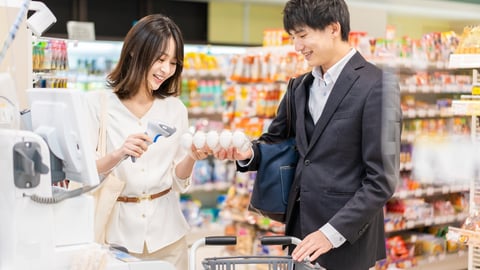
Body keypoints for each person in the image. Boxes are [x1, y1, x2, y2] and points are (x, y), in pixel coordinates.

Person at [214, 0, 402, 269]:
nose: (297, 46)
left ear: (333, 28)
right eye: (293, 37)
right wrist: (249, 153)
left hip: (347, 239)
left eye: (302, 35)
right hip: (298, 232)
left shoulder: (377, 86)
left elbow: (382, 179)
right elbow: (276, 140)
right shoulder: (299, 86)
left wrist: (331, 233)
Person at [86, 14, 208, 270]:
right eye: (160, 59)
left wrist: (192, 158)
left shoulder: (175, 109)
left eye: (173, 62)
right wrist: (118, 153)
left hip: (168, 238)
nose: (166, 69)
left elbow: (178, 181)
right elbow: (86, 174)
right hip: (116, 241)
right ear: (134, 52)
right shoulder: (99, 105)